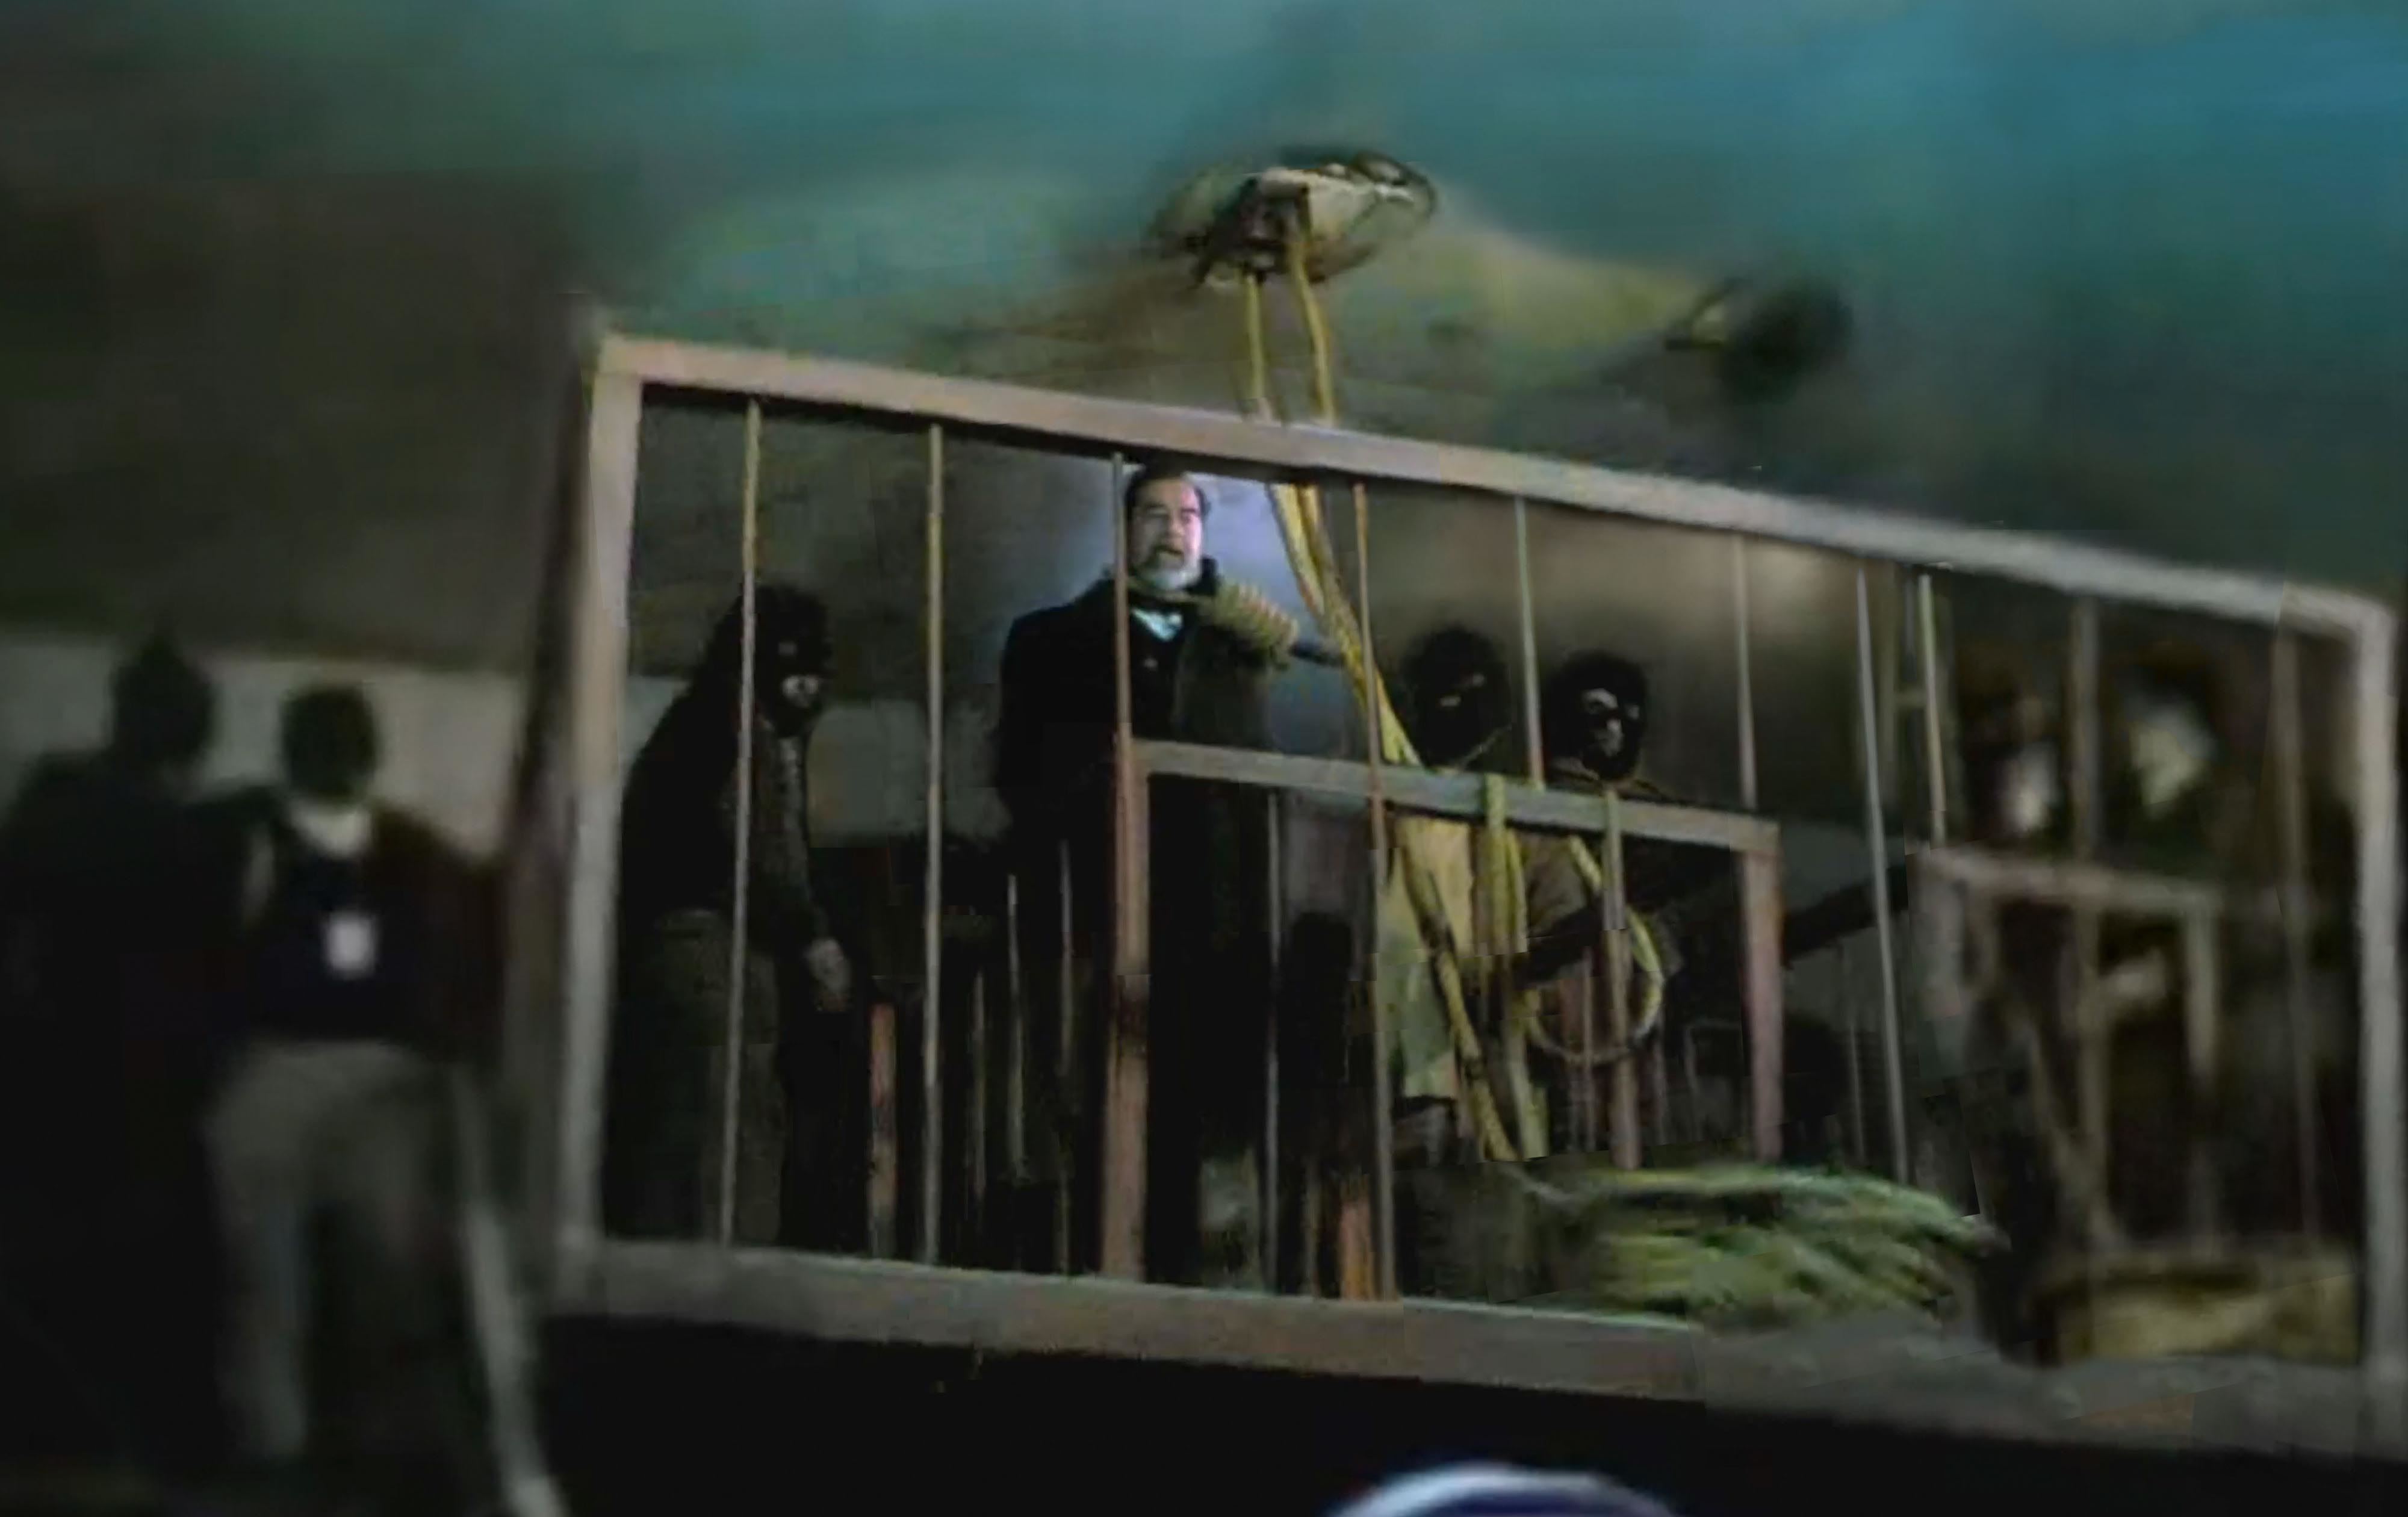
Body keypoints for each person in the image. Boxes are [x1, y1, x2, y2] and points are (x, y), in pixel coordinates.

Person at [994, 464, 1299, 1282]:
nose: (1174, 530)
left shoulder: (1237, 651)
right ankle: (1100, 1288)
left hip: (1220, 925)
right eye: (1155, 514)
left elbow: (1255, 793)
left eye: (1188, 516)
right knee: (1097, 1113)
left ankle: (1199, 1299)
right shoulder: (1054, 641)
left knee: (1211, 1125)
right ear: (1125, 530)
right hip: (1102, 911)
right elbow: (1022, 777)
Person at [198, 684, 492, 1512]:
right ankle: (301, 1439)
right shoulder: (388, 849)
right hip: (324, 1065)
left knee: (333, 1258)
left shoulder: (385, 850)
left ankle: (301, 1438)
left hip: (349, 1069)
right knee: (298, 1256)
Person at [0, 636, 222, 1475]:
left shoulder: (55, 796)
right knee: (146, 1266)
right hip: (142, 1081)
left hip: (44, 1061)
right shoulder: (190, 835)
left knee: (47, 1261)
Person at [606, 583, 861, 1249]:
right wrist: (813, 939)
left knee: (680, 1133)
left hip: (669, 953)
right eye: (803, 671)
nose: (811, 691)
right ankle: (726, 1280)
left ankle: (676, 1274)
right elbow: (760, 847)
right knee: (727, 1135)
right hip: (710, 950)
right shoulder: (741, 730)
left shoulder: (692, 726)